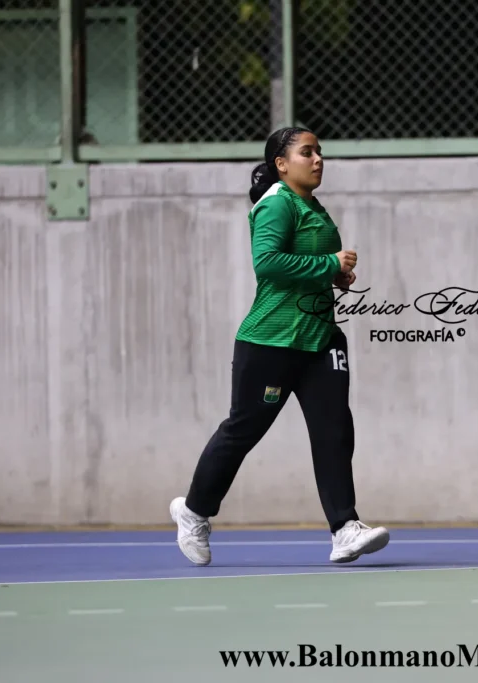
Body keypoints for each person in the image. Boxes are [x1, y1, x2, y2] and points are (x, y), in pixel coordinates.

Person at [169, 126, 390, 566]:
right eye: (307, 152)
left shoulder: (312, 206)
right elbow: (267, 262)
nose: (318, 159)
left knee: (334, 430)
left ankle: (344, 528)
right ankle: (193, 512)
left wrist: (335, 276)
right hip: (272, 340)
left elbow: (303, 265)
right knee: (244, 430)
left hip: (320, 338)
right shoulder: (276, 203)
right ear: (282, 164)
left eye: (320, 152)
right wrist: (328, 262)